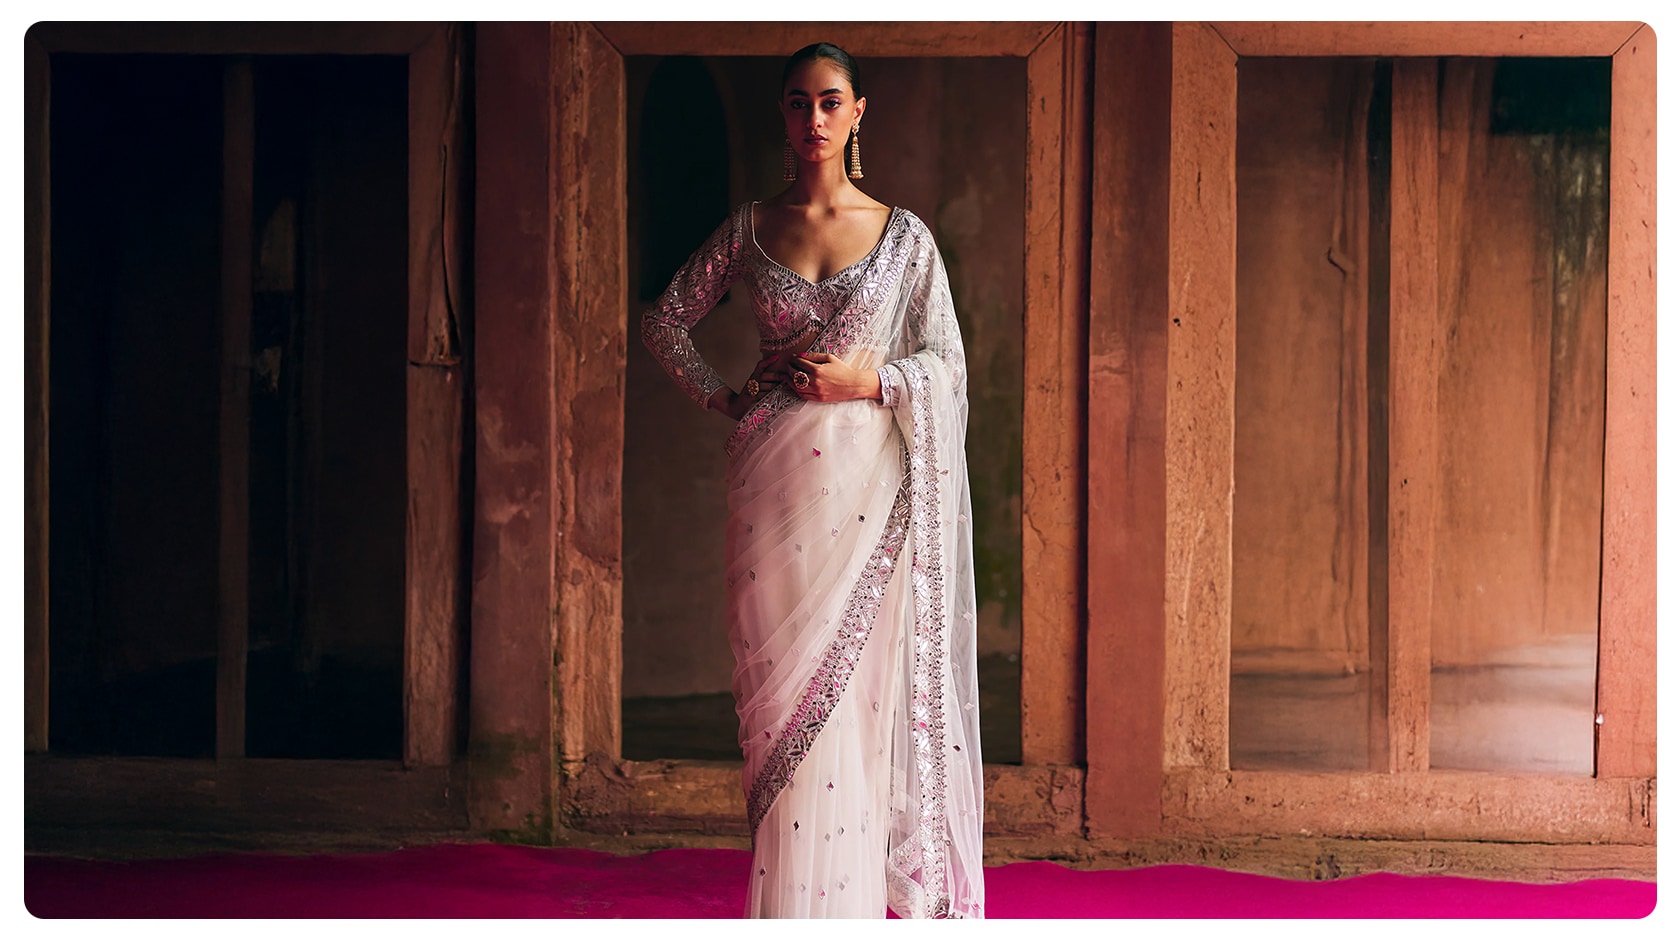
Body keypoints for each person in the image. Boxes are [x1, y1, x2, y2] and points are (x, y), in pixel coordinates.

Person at [640, 42, 985, 919]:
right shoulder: (751, 230)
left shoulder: (906, 239)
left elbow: (946, 363)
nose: (815, 119)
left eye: (831, 102)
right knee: (783, 710)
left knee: (856, 699)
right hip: (773, 489)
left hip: (868, 499)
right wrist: (725, 399)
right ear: (783, 115)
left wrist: (867, 381)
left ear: (859, 112)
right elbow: (665, 321)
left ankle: (849, 908)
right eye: (798, 103)